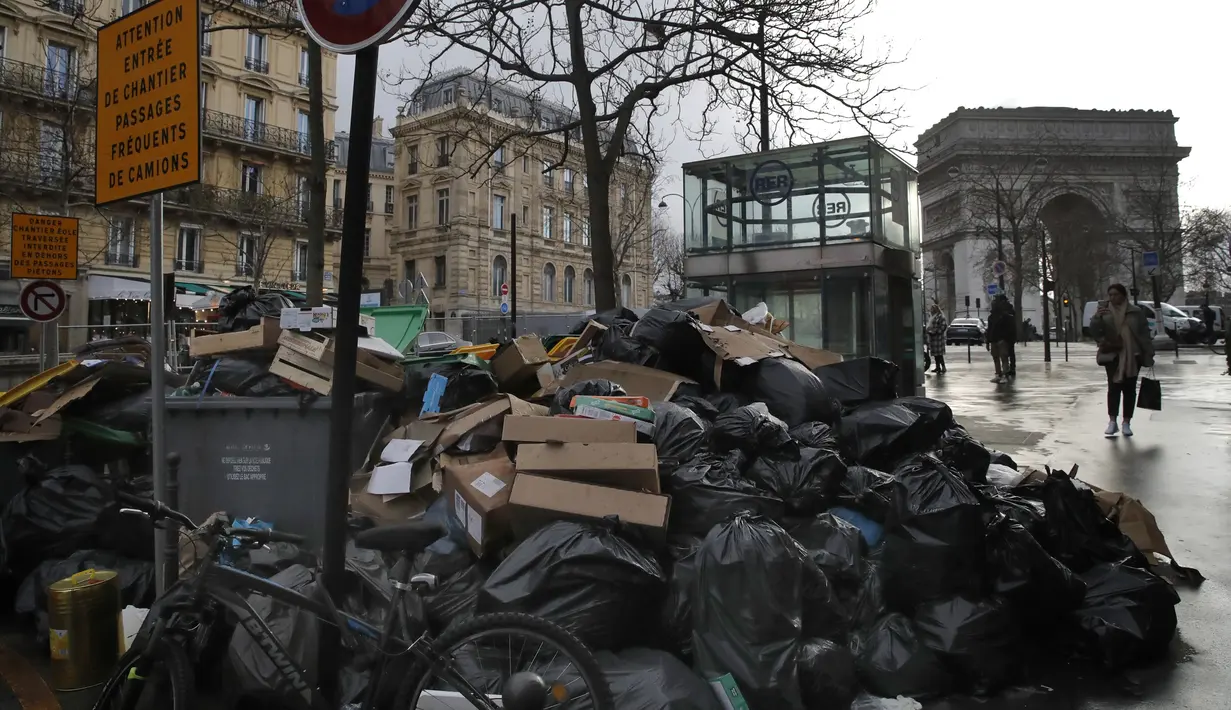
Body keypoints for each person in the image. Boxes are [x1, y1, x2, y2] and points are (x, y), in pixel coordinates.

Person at [1090, 283, 1154, 437]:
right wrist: (1097, 317)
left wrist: (1149, 354)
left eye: (1115, 294)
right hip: (1113, 354)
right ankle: (1112, 421)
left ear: (1123, 295)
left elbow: (1144, 334)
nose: (1112, 298)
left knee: (1129, 389)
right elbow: (1094, 332)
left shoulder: (1136, 312)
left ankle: (1126, 422)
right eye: (1110, 295)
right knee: (1113, 388)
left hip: (1133, 355)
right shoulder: (1104, 313)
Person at [985, 295, 1014, 383]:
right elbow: (989, 330)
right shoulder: (991, 317)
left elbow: (1008, 329)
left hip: (1001, 340)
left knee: (1003, 358)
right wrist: (988, 341)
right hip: (995, 340)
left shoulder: (1004, 317)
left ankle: (1004, 374)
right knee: (997, 358)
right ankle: (999, 374)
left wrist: (1006, 339)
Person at [925, 304, 948, 374]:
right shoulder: (932, 317)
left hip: (938, 338)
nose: (931, 310)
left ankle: (943, 367)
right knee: (935, 354)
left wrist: (935, 332)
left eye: (933, 309)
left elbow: (943, 326)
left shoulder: (940, 317)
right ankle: (937, 367)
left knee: (939, 354)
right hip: (933, 338)